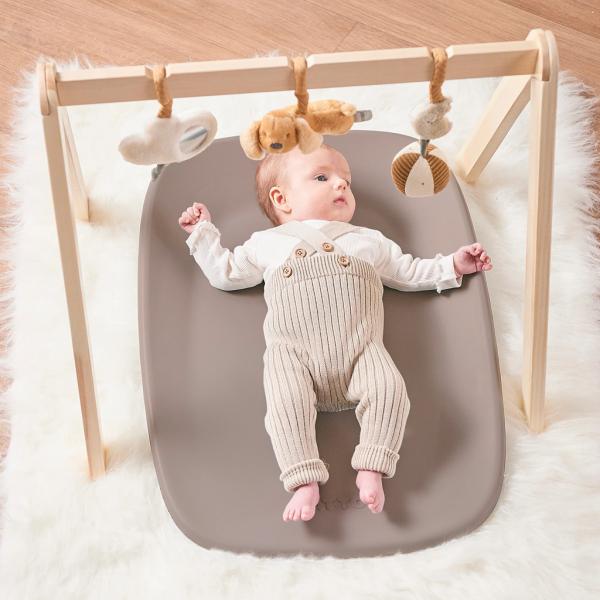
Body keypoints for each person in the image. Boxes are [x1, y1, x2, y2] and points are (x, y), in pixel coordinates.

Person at [178, 143, 493, 523]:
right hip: (293, 355)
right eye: (322, 177)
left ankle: (372, 464)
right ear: (282, 199)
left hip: (361, 351)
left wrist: (453, 265)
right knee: (284, 405)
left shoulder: (368, 240)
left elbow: (409, 272)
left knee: (390, 391)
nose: (341, 185)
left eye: (346, 180)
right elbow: (225, 273)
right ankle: (303, 479)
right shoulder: (266, 244)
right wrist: (202, 233)